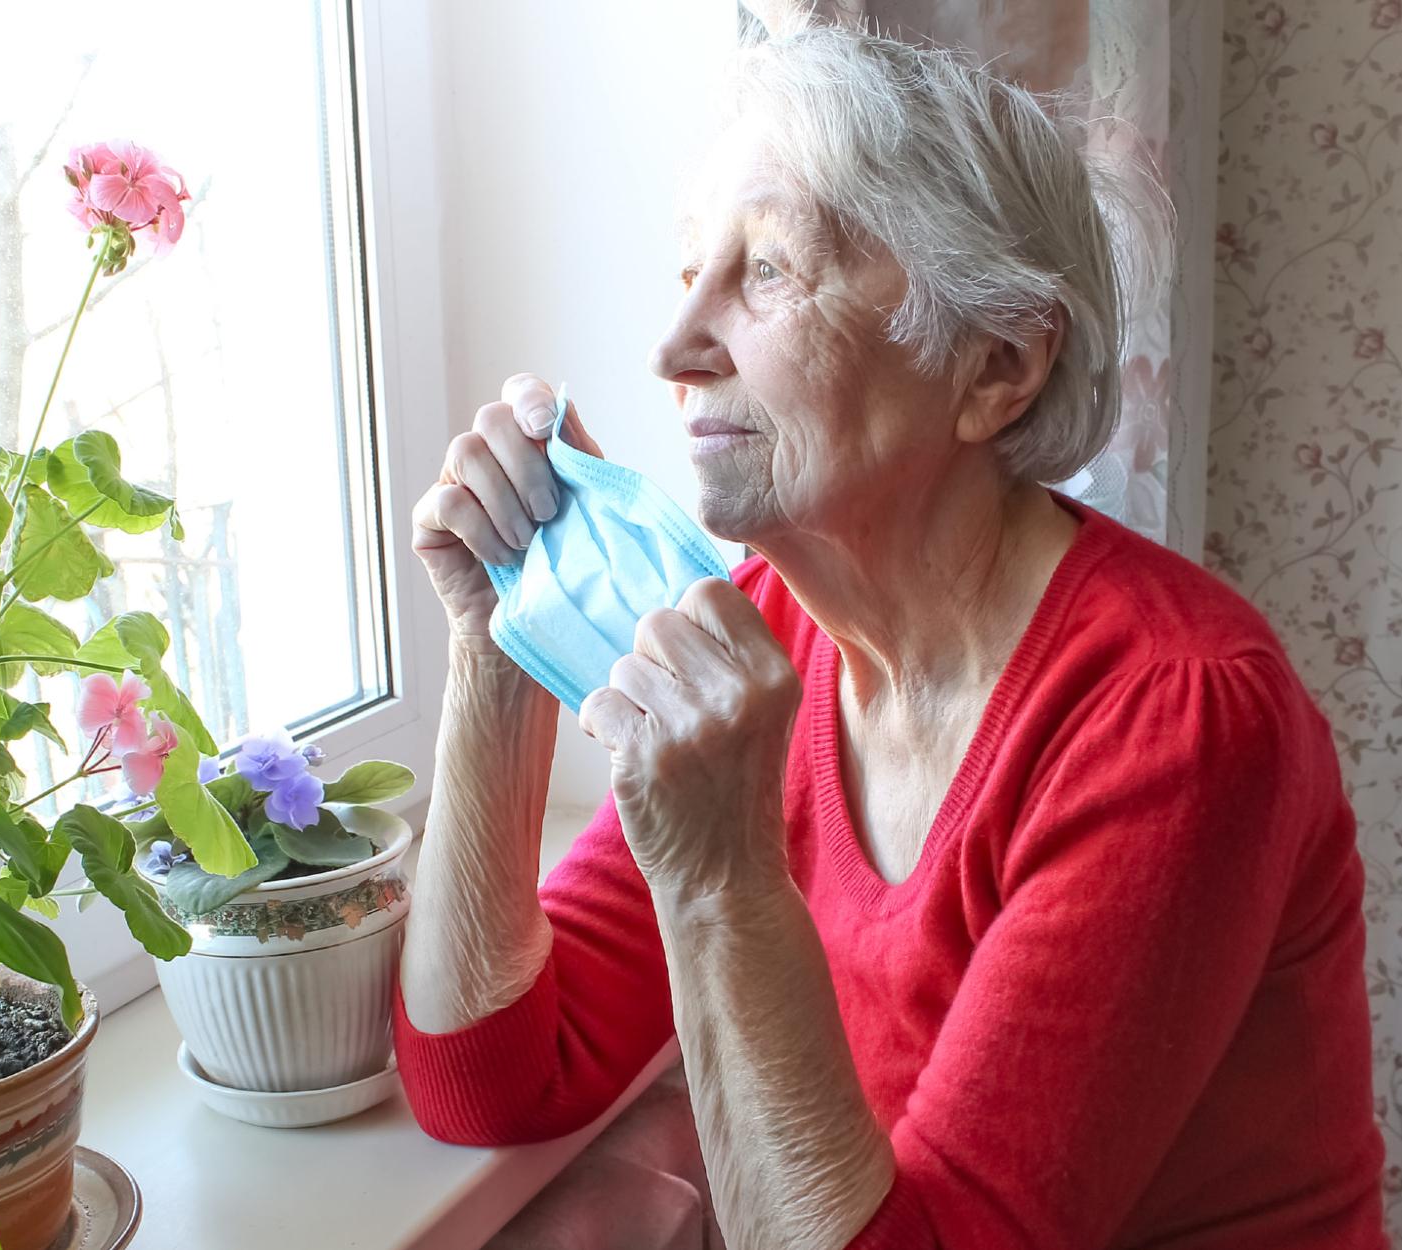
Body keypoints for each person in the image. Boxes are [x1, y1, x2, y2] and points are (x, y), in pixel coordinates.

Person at [396, 23, 1386, 1250]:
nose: (672, 351)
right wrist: (497, 653)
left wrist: (720, 876)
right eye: (688, 271)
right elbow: (486, 1072)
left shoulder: (1175, 718)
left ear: (997, 364)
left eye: (767, 274)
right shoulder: (770, 631)